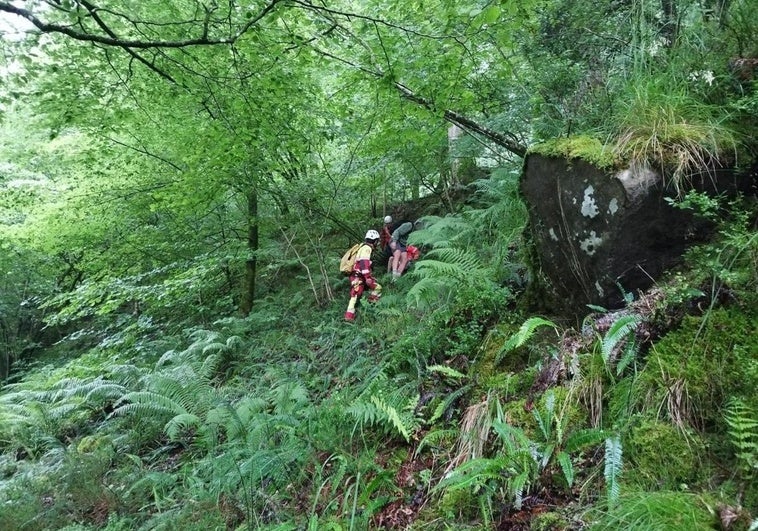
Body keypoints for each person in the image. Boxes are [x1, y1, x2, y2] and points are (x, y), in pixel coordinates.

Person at [345, 229, 382, 322]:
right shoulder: (367, 249)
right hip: (359, 276)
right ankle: (349, 316)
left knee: (359, 294)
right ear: (375, 240)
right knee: (356, 295)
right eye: (377, 241)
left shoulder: (362, 247)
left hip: (358, 276)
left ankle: (370, 305)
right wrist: (368, 278)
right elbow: (364, 263)